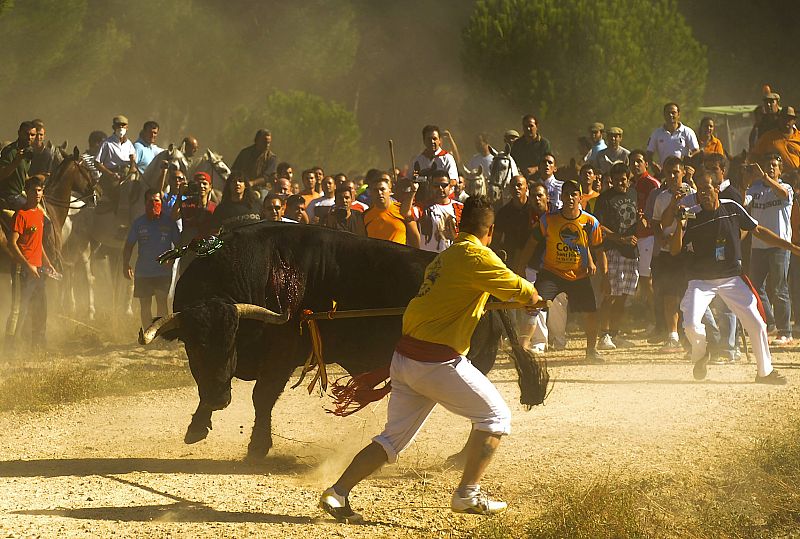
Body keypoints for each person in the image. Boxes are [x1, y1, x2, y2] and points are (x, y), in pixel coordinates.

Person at [319, 195, 540, 523]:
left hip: (405, 359)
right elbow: (518, 287)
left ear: (460, 226)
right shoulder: (477, 255)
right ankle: (467, 493)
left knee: (391, 440)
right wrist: (534, 298)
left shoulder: (445, 257)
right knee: (496, 418)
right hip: (436, 362)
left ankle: (337, 494)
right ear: (490, 230)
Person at [670, 170, 792, 385]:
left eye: (707, 189)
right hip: (701, 280)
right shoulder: (692, 215)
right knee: (689, 323)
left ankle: (764, 372)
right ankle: (701, 353)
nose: (704, 194)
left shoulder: (732, 208)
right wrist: (679, 226)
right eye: (700, 191)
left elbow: (758, 230)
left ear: (716, 188)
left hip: (731, 278)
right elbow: (674, 251)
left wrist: (791, 246)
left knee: (756, 323)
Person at [514, 180, 607, 362]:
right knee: (534, 304)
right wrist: (520, 268)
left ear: (580, 197)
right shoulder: (548, 220)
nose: (570, 197)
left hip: (579, 274)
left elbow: (599, 249)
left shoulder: (590, 222)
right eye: (567, 194)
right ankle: (523, 351)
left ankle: (591, 351)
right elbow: (531, 244)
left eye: (574, 194)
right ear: (561, 197)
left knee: (591, 312)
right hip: (552, 272)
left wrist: (605, 275)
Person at [746, 154, 794, 344]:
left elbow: (784, 194)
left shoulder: (785, 187)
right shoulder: (755, 188)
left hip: (779, 245)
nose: (771, 168)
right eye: (768, 165)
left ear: (780, 170)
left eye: (774, 165)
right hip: (758, 245)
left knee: (779, 288)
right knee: (755, 287)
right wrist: (747, 181)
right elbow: (743, 202)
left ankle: (785, 331)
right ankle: (771, 323)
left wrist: (765, 178)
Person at [4, 177, 55, 352]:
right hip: (22, 270)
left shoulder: (40, 214)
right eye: (34, 190)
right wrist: (27, 265)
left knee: (41, 307)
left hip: (38, 268)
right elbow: (12, 243)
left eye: (40, 190)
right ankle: (10, 347)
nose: (37, 194)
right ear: (27, 192)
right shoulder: (21, 214)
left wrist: (48, 263)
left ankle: (38, 344)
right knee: (19, 308)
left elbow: (38, 242)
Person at [594, 163, 640, 350]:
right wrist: (619, 238)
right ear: (611, 179)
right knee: (610, 294)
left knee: (624, 295)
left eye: (624, 178)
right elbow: (597, 225)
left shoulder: (634, 194)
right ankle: (603, 335)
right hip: (612, 250)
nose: (621, 181)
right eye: (617, 178)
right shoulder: (604, 199)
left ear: (629, 178)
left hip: (631, 252)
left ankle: (615, 333)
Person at [123, 189, 180, 335]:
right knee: (145, 305)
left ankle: (163, 335)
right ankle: (149, 334)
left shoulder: (169, 223)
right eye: (150, 201)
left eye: (157, 201)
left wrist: (172, 260)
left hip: (163, 271)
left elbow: (179, 245)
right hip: (143, 272)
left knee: (162, 302)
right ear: (145, 203)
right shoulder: (139, 223)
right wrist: (126, 264)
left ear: (162, 203)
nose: (153, 204)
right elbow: (129, 245)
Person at [651, 156, 694, 351]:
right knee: (669, 294)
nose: (672, 176)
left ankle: (690, 333)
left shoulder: (694, 194)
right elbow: (660, 223)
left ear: (683, 172)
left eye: (676, 172)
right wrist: (660, 237)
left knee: (688, 293)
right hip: (668, 252)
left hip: (689, 252)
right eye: (669, 173)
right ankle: (672, 334)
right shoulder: (661, 197)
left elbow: (695, 221)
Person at [363, 173, 417, 246]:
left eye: (382, 189)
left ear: (390, 191)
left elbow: (415, 239)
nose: (379, 193)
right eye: (375, 190)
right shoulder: (365, 216)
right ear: (371, 193)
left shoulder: (403, 210)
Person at [419, 170, 464, 252]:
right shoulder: (422, 208)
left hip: (452, 258)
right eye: (436, 186)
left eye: (444, 185)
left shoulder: (461, 208)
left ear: (450, 186)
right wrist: (412, 191)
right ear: (430, 187)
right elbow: (406, 213)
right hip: (428, 259)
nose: (440, 188)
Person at [646, 103, 700, 167]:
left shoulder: (687, 132)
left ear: (678, 114)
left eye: (673, 112)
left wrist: (688, 158)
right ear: (664, 115)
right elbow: (649, 153)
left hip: (682, 172)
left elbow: (696, 151)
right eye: (668, 113)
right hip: (664, 172)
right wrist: (653, 165)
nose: (670, 115)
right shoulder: (657, 133)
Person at [0, 121, 37, 211]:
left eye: (32, 135)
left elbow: (22, 174)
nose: (29, 137)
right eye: (26, 134)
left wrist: (36, 182)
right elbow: (1, 175)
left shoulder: (29, 151)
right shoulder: (10, 151)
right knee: (31, 212)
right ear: (19, 133)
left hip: (20, 193)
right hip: (8, 196)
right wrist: (16, 161)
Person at [95, 115, 136, 182]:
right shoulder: (106, 143)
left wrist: (132, 168)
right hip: (112, 176)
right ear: (113, 127)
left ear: (127, 127)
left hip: (127, 174)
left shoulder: (129, 144)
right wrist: (110, 174)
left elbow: (132, 158)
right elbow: (97, 163)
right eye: (118, 125)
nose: (121, 127)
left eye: (123, 125)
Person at [510, 114, 551, 179]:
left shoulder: (544, 144)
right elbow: (511, 161)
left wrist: (536, 169)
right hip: (520, 179)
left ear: (536, 127)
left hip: (539, 180)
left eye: (531, 126)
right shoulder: (517, 144)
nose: (528, 129)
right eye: (525, 126)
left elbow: (549, 163)